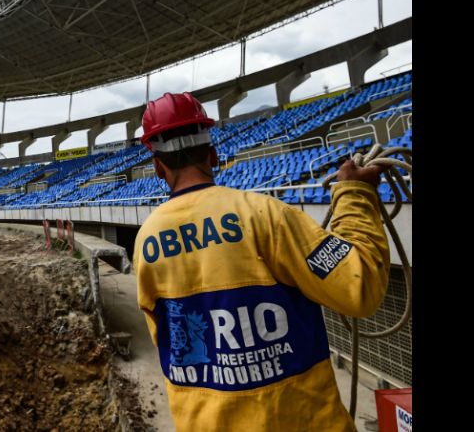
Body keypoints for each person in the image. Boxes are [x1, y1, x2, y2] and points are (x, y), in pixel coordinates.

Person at [133, 92, 390, 431]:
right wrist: (355, 196)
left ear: (157, 165)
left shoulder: (146, 241)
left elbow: (168, 339)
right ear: (212, 153)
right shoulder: (266, 214)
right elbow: (361, 288)